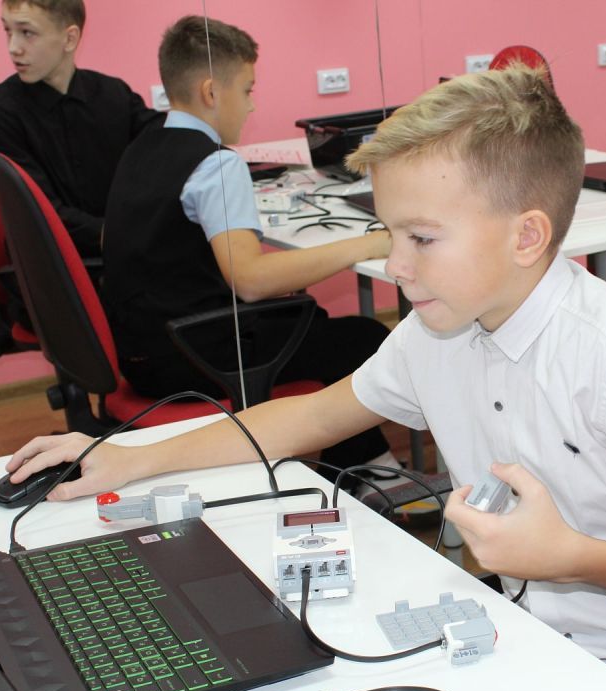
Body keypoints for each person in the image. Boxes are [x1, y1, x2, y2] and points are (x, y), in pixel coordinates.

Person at [5, 64, 606, 691]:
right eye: (391, 232)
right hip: (528, 640)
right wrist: (129, 456)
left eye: (422, 238)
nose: (395, 265)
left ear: (527, 235)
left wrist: (568, 555)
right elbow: (307, 419)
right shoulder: (439, 330)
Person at [102, 15, 396, 476]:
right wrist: (363, 245)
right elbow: (252, 282)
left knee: (312, 322)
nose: (252, 105)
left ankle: (364, 464)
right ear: (211, 93)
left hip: (145, 353)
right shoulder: (215, 165)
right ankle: (367, 471)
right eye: (247, 90)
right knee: (364, 339)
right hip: (194, 358)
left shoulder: (140, 147)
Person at [0, 0, 162, 259]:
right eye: (8, 30)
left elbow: (166, 141)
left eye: (27, 32)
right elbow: (40, 214)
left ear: (70, 39)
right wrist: (126, 237)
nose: (13, 48)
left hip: (123, 252)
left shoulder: (113, 94)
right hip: (56, 266)